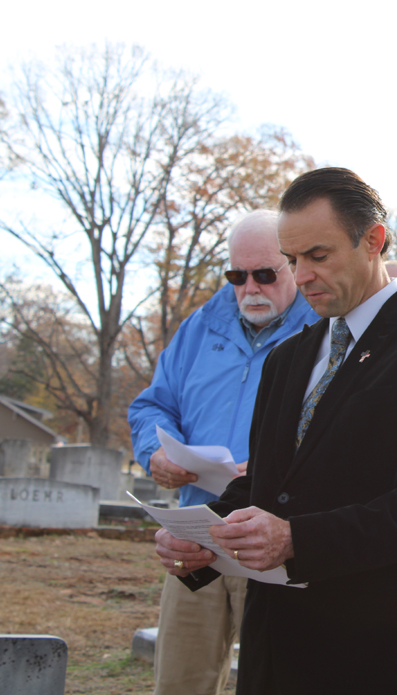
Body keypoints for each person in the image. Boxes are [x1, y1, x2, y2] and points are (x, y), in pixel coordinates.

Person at [153, 167, 397, 695]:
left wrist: (295, 539)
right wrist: (201, 537)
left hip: (367, 647)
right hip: (273, 643)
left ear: (373, 241)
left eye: (318, 255)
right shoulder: (289, 357)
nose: (301, 275)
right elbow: (264, 484)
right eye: (291, 260)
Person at [128, 210, 319, 695]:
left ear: (292, 266)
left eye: (265, 274)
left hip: (272, 538)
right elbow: (154, 402)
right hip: (196, 533)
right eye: (236, 275)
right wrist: (155, 452)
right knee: (180, 680)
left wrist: (275, 466)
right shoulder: (201, 325)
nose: (249, 287)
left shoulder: (323, 330)